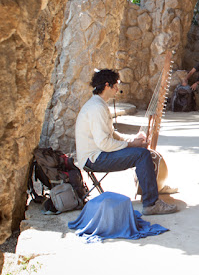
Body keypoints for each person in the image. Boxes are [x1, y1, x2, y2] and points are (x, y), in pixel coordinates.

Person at [74, 69, 178, 215]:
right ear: (106, 86)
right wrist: (132, 144)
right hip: (94, 159)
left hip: (96, 155)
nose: (117, 89)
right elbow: (104, 143)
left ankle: (151, 196)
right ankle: (151, 204)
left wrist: (132, 140)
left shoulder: (98, 104)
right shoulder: (97, 108)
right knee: (142, 155)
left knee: (140, 152)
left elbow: (112, 134)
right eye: (115, 86)